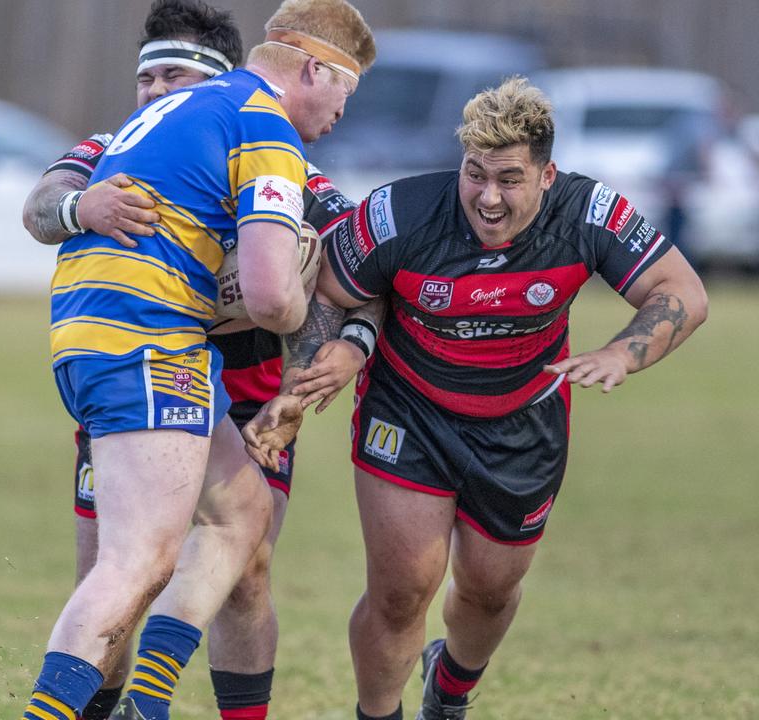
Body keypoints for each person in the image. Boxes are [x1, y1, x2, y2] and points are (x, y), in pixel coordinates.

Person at [246, 76, 708, 720]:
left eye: (510, 179)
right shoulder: (400, 212)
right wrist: (315, 373)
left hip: (524, 423)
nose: (488, 197)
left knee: (491, 590)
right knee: (402, 592)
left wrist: (621, 353)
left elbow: (682, 290)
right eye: (475, 174)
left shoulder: (588, 212)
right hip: (410, 410)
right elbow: (328, 289)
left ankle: (450, 689)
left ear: (548, 176)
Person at [18, 2, 375, 720]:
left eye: (170, 73)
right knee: (133, 564)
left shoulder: (185, 122)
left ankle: (144, 705)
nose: (343, 111)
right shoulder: (262, 124)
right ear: (312, 70)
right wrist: (292, 297)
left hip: (123, 341)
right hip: (146, 343)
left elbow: (361, 266)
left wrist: (332, 352)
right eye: (345, 90)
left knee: (239, 518)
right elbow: (276, 297)